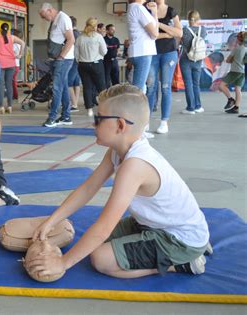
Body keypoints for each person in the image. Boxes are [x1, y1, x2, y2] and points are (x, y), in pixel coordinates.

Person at [27, 84, 210, 280]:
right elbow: (88, 189)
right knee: (92, 241)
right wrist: (51, 221)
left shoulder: (135, 165)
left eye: (98, 120)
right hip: (154, 225)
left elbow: (104, 227)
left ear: (120, 125)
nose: (92, 125)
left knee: (101, 259)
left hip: (178, 239)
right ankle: (182, 252)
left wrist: (63, 263)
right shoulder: (117, 151)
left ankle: (181, 263)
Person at [145, 0, 182, 135]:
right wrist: (167, 33)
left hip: (169, 52)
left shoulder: (171, 11)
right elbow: (148, 33)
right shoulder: (147, 9)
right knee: (150, 87)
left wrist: (158, 24)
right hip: (152, 52)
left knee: (166, 87)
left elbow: (179, 33)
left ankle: (164, 121)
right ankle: (146, 121)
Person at [39, 3, 75, 127]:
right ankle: (66, 116)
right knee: (63, 87)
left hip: (63, 60)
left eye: (44, 16)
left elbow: (71, 39)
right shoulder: (55, 20)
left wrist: (61, 57)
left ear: (49, 10)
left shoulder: (63, 18)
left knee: (56, 88)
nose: (44, 19)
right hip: (58, 59)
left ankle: (52, 117)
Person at [0, 23, 25, 114]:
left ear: (0, 29)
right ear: (8, 30)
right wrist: (20, 54)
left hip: (0, 63)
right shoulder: (12, 37)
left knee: (1, 85)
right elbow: (23, 43)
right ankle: (10, 106)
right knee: (9, 85)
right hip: (11, 63)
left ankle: (1, 106)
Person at [75, 17, 108, 117]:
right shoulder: (98, 37)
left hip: (83, 65)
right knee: (101, 87)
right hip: (96, 64)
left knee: (87, 88)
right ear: (95, 26)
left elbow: (76, 54)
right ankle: (104, 108)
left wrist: (80, 61)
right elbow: (104, 51)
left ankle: (89, 110)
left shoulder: (80, 38)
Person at [126, 0, 158, 93]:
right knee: (138, 90)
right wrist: (155, 13)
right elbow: (155, 34)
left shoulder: (132, 7)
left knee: (139, 87)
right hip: (143, 52)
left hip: (137, 51)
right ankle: (136, 107)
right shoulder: (139, 8)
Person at [179, 10, 207, 115]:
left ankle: (190, 108)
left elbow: (183, 43)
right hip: (198, 59)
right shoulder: (203, 30)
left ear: (188, 19)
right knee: (196, 84)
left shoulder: (185, 30)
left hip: (186, 59)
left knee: (188, 84)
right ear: (198, 19)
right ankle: (198, 106)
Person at [218, 31, 246, 116]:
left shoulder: (236, 49)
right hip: (242, 71)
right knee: (238, 89)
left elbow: (228, 60)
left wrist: (232, 59)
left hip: (235, 71)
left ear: (238, 39)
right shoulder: (245, 49)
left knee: (221, 85)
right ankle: (236, 107)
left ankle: (230, 99)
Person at [68, 16, 82, 112]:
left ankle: (74, 104)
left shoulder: (72, 34)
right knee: (76, 83)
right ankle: (75, 103)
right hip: (79, 60)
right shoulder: (79, 34)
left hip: (73, 60)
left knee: (68, 83)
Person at [103, 24, 121, 88]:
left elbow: (118, 49)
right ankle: (107, 95)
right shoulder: (103, 39)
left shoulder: (116, 39)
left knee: (116, 79)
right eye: (112, 30)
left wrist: (118, 53)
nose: (113, 31)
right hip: (106, 62)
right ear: (107, 31)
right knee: (106, 80)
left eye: (114, 30)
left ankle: (116, 94)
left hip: (115, 61)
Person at [12, 29, 23, 100]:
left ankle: (15, 96)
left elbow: (10, 53)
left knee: (12, 81)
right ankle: (14, 95)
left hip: (13, 65)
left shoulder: (14, 45)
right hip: (17, 65)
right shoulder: (20, 44)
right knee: (13, 81)